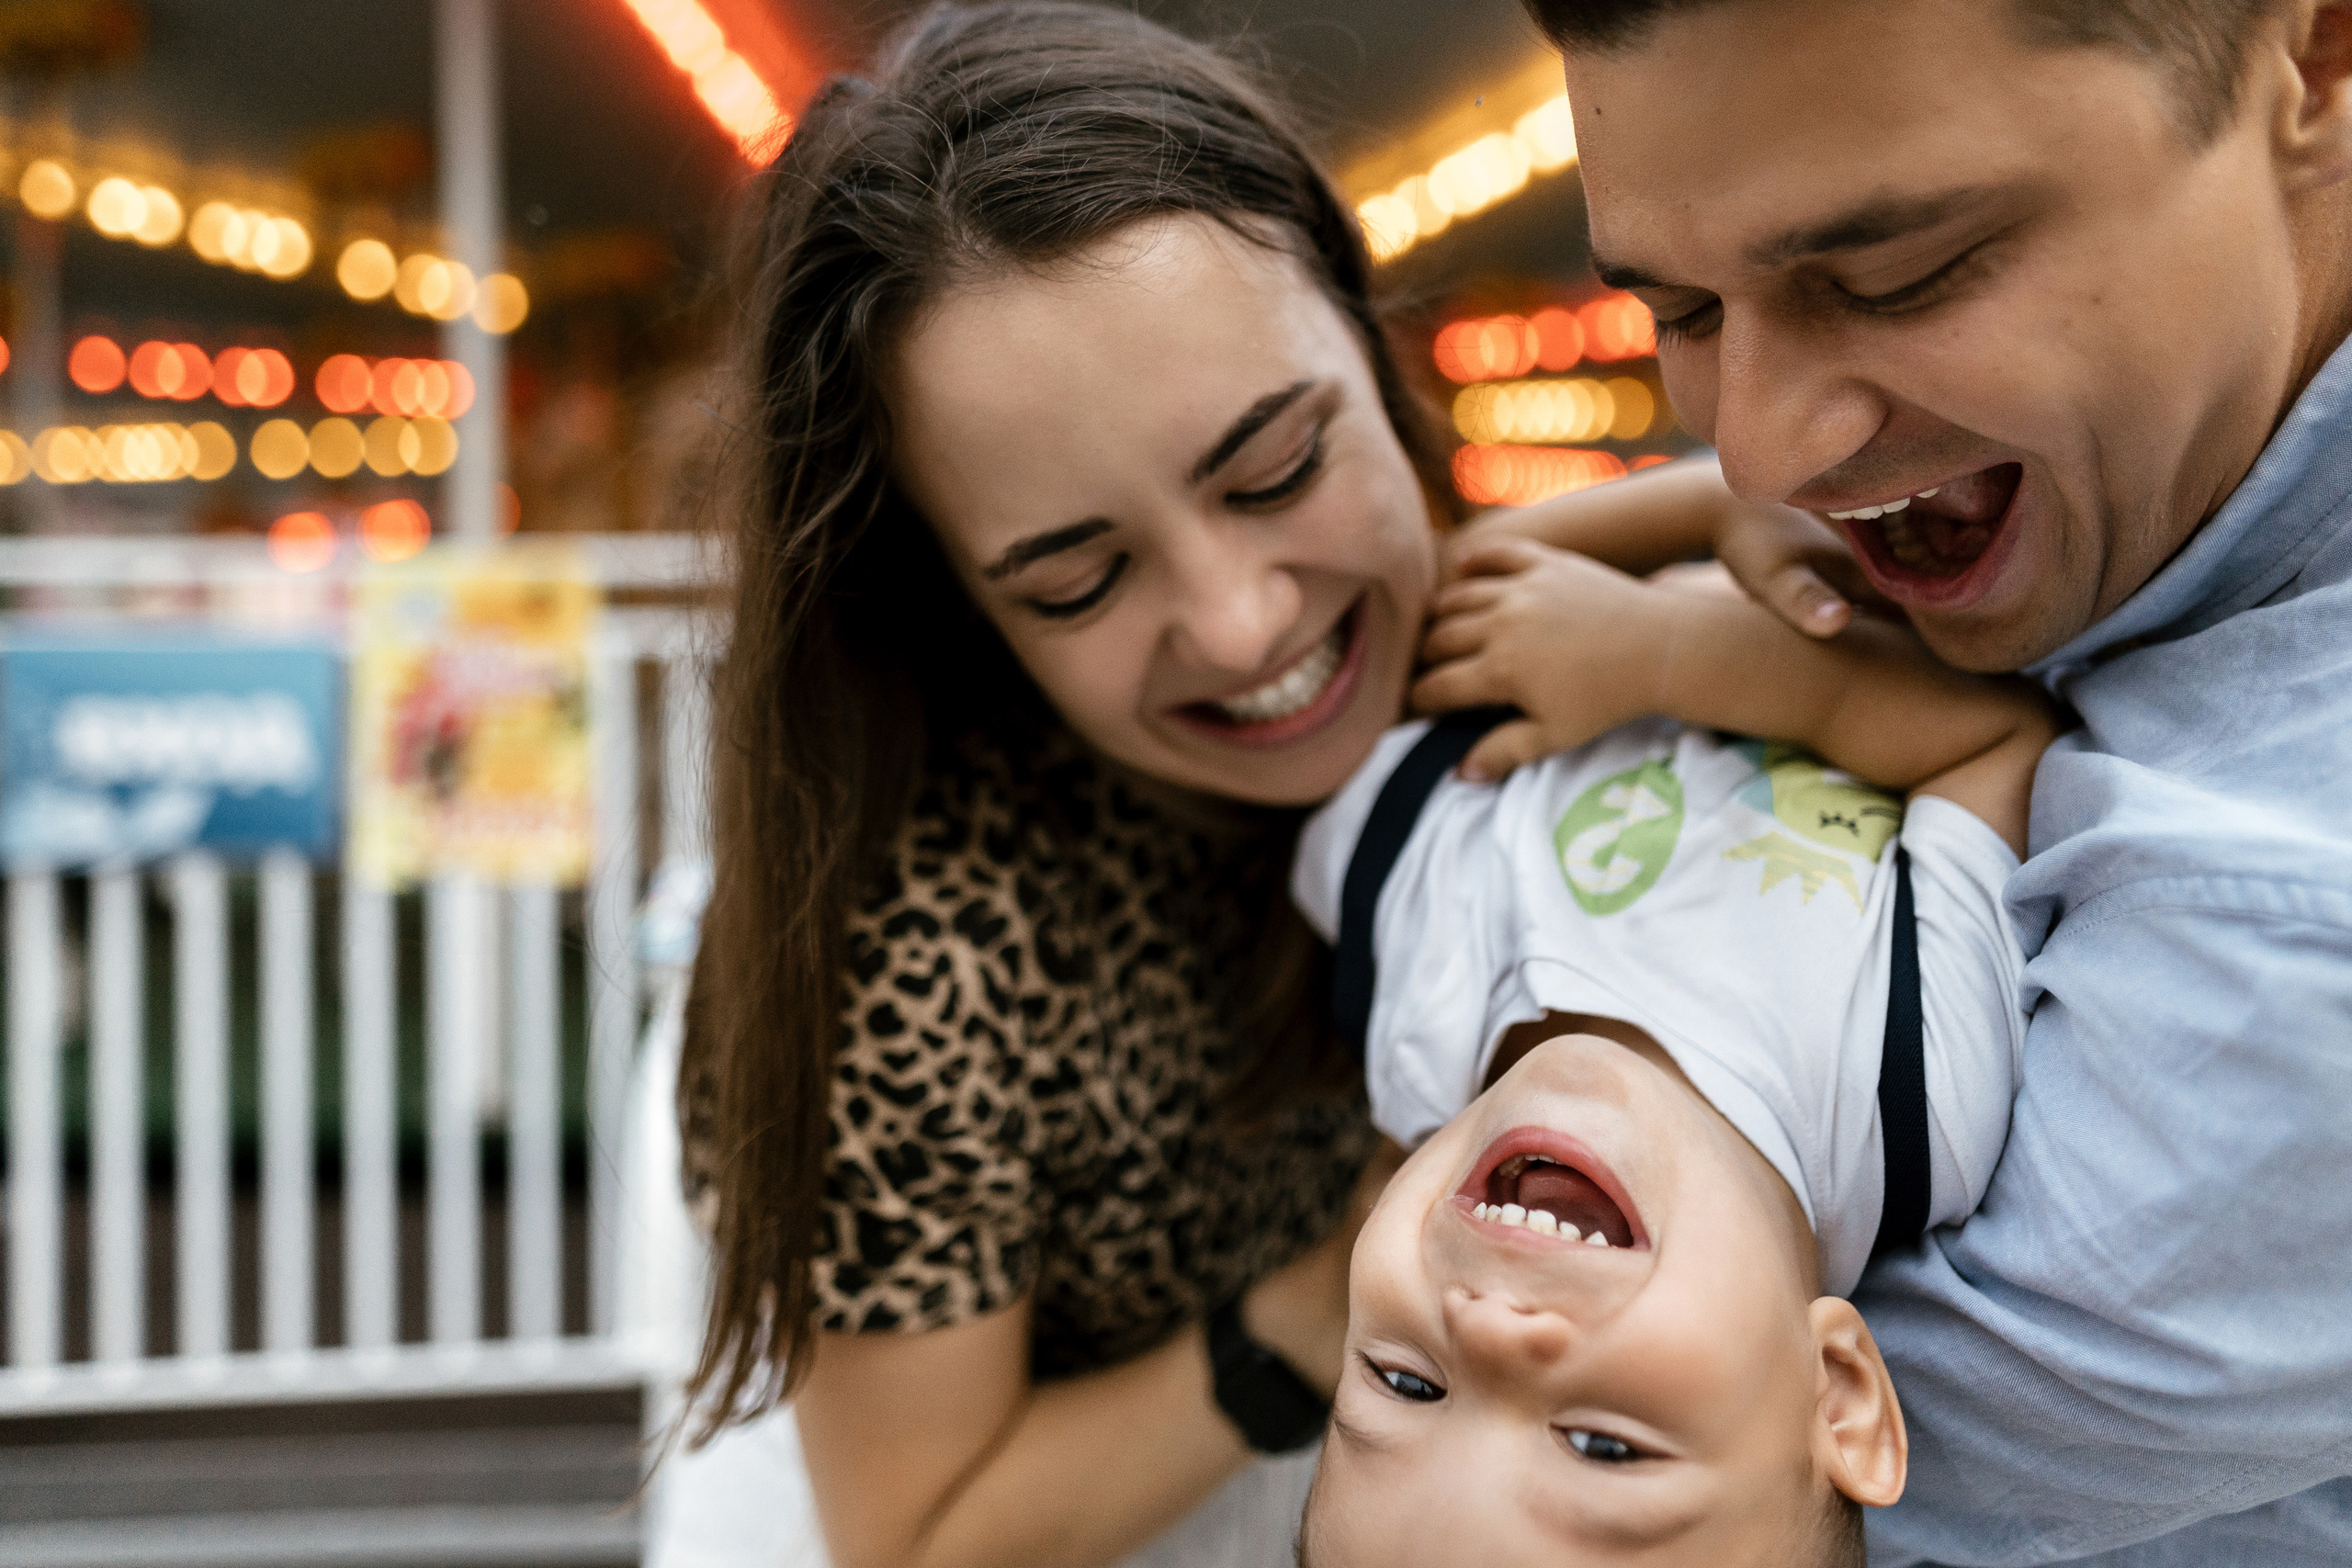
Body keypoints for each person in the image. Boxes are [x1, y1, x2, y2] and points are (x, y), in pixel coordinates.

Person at [1457, 3, 2352, 1562]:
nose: (1758, 449)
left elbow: (1607, 1465)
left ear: (2321, 60)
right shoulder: (2083, 488)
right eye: (1684, 313)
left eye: (1895, 277)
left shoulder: (2297, 928)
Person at [676, 6, 1455, 1564]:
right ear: (959, 607)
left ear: (1368, 344)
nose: (1244, 623)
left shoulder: (1509, 638)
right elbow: (911, 1535)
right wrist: (1335, 1290)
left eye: (1277, 469)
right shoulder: (920, 931)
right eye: (1078, 581)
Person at [1280, 533, 2051, 1563]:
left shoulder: (1389, 935)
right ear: (1838, 1399)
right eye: (1604, 1446)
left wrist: (1705, 514)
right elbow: (1996, 741)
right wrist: (1669, 643)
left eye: (1405, 1382)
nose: (1491, 1329)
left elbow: (1461, 579)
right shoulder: (1907, 1093)